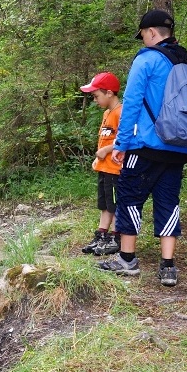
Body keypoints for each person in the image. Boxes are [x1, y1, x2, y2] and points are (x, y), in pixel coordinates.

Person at [98, 10, 187, 285]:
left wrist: (120, 144)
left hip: (146, 146)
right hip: (178, 147)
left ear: (151, 33)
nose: (142, 39)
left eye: (142, 34)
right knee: (168, 201)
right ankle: (168, 266)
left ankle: (127, 259)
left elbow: (131, 103)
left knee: (130, 196)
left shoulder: (147, 60)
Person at [79, 72, 123, 256]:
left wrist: (106, 151)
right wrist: (99, 156)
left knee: (115, 204)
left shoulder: (121, 112)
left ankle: (116, 237)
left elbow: (125, 139)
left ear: (109, 93)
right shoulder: (106, 113)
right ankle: (101, 234)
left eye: (96, 96)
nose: (95, 100)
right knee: (104, 204)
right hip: (104, 168)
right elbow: (104, 139)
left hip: (115, 169)